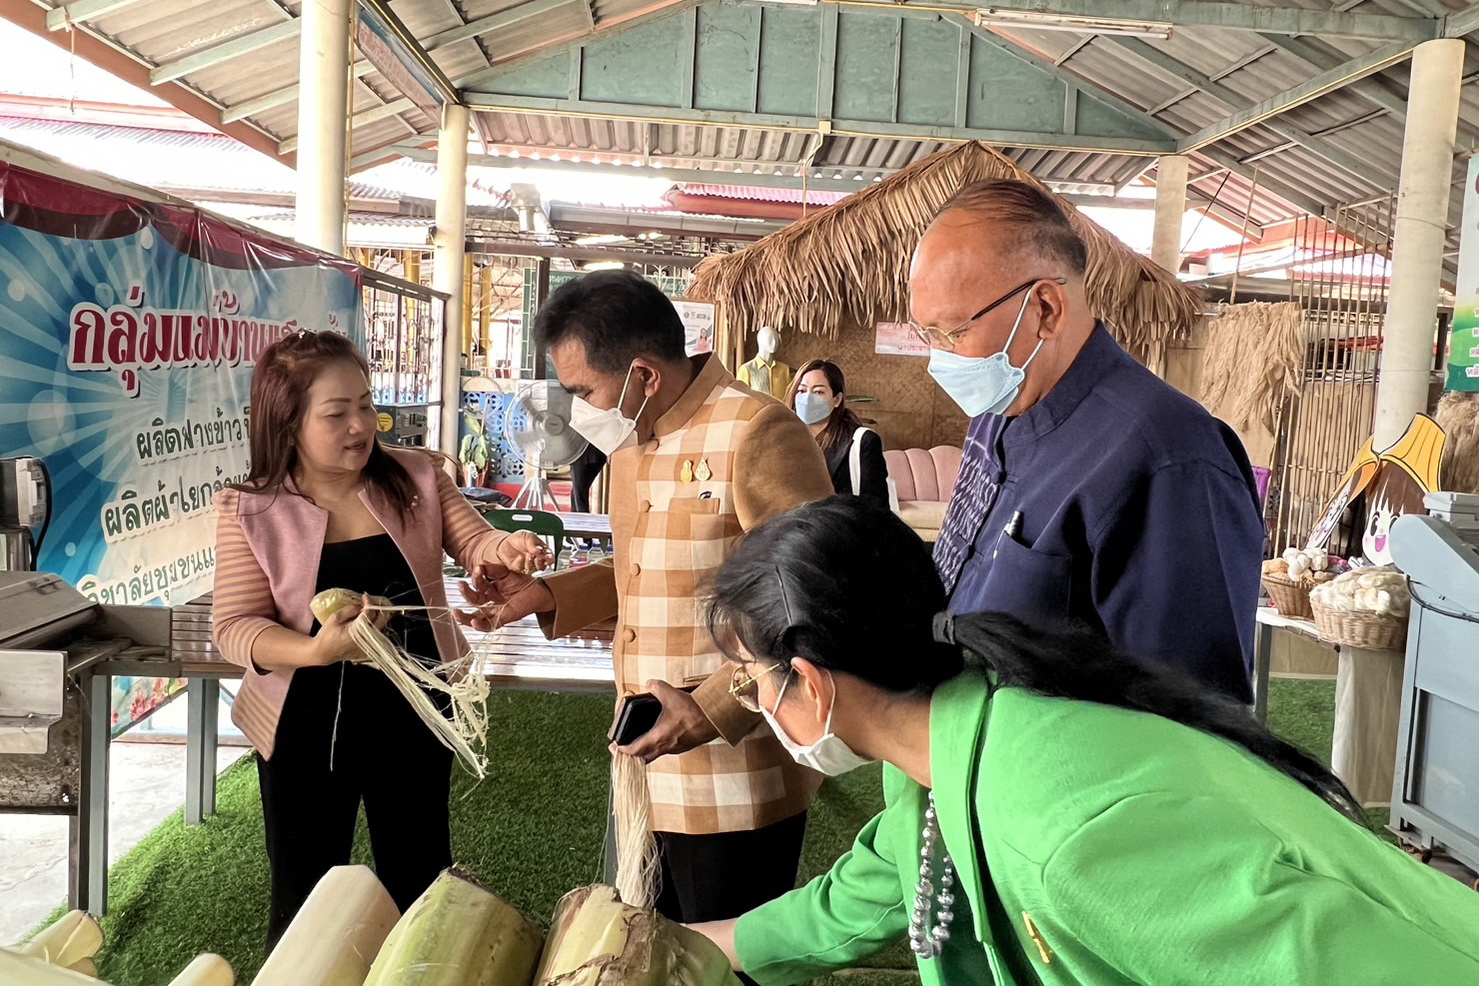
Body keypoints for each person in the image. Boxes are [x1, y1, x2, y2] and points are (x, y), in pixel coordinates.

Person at [689, 496, 1479, 985]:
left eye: (750, 680)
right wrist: (685, 947)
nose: (754, 702)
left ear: (811, 680)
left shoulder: (1071, 835)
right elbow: (862, 900)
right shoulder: (945, 748)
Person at [456, 271, 834, 937]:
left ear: (643, 374)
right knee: (648, 953)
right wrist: (544, 594)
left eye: (582, 392)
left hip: (733, 778)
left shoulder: (756, 433)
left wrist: (713, 706)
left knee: (723, 965)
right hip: (649, 761)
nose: (578, 411)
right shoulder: (632, 439)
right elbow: (640, 564)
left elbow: (811, 603)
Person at [211, 331, 548, 949]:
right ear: (286, 423)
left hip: (417, 710)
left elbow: (475, 541)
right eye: (336, 413)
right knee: (306, 890)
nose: (360, 425)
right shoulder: (249, 509)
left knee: (420, 875)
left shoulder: (417, 476)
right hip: (302, 723)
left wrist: (506, 549)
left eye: (365, 405)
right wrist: (316, 651)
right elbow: (235, 627)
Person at [910, 179, 1262, 702]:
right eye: (927, 334)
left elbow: (1190, 720)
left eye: (954, 331)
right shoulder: (999, 407)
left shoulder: (1167, 460)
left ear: (1045, 309)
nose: (940, 357)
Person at [787, 358, 889, 508]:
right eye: (802, 390)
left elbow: (877, 509)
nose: (808, 398)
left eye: (818, 392)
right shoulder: (784, 441)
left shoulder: (863, 442)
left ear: (837, 400)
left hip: (839, 528)